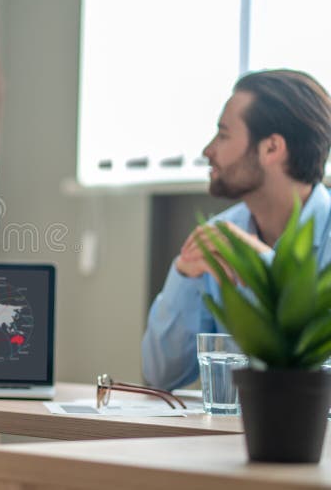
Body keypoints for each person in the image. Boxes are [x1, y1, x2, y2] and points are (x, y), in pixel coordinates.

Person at [142, 69, 331, 391]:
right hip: (227, 439)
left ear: (271, 148)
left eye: (224, 135)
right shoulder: (216, 239)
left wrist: (267, 267)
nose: (208, 150)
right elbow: (162, 376)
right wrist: (184, 277)